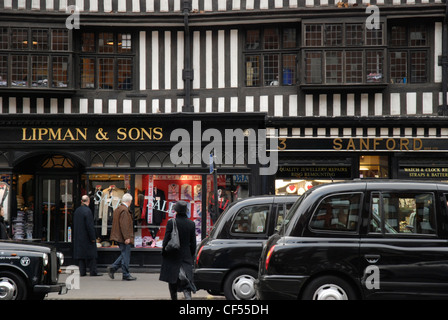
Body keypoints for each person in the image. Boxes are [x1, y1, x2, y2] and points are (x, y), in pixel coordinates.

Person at [159, 201, 197, 300]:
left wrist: (164, 252)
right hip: (186, 256)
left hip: (172, 256)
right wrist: (191, 255)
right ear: (186, 211)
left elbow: (166, 239)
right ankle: (188, 300)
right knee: (186, 281)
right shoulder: (191, 224)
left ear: (176, 211)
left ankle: (174, 298)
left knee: (172, 282)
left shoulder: (171, 222)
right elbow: (193, 243)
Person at [107, 193, 136, 281]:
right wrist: (127, 237)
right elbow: (124, 225)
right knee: (126, 255)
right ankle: (125, 274)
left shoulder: (118, 209)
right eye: (131, 201)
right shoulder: (124, 210)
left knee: (124, 254)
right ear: (129, 201)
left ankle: (113, 268)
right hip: (123, 237)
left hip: (119, 236)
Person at [73, 195, 100, 276]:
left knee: (81, 256)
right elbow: (90, 226)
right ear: (88, 201)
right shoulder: (88, 211)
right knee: (92, 255)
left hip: (79, 236)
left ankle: (82, 271)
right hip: (87, 237)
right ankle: (93, 271)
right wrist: (93, 237)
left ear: (82, 201)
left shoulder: (77, 210)